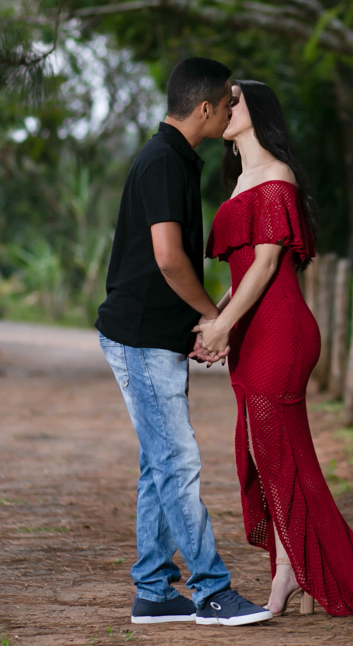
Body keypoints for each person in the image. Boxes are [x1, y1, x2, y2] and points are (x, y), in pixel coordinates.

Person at [193, 80, 353, 617]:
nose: (226, 106)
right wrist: (215, 320)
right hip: (251, 331)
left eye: (235, 99)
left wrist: (224, 324)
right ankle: (293, 568)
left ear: (258, 111)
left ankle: (311, 573)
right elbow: (242, 273)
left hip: (281, 331)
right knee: (265, 453)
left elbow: (266, 265)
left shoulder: (277, 175)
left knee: (280, 453)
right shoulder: (239, 181)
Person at [95, 57, 272, 627]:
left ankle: (153, 589)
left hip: (152, 336)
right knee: (177, 461)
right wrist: (212, 318)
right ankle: (212, 591)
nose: (230, 112)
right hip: (140, 338)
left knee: (159, 464)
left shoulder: (173, 157)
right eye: (227, 103)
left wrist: (195, 326)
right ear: (205, 107)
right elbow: (169, 259)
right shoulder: (164, 161)